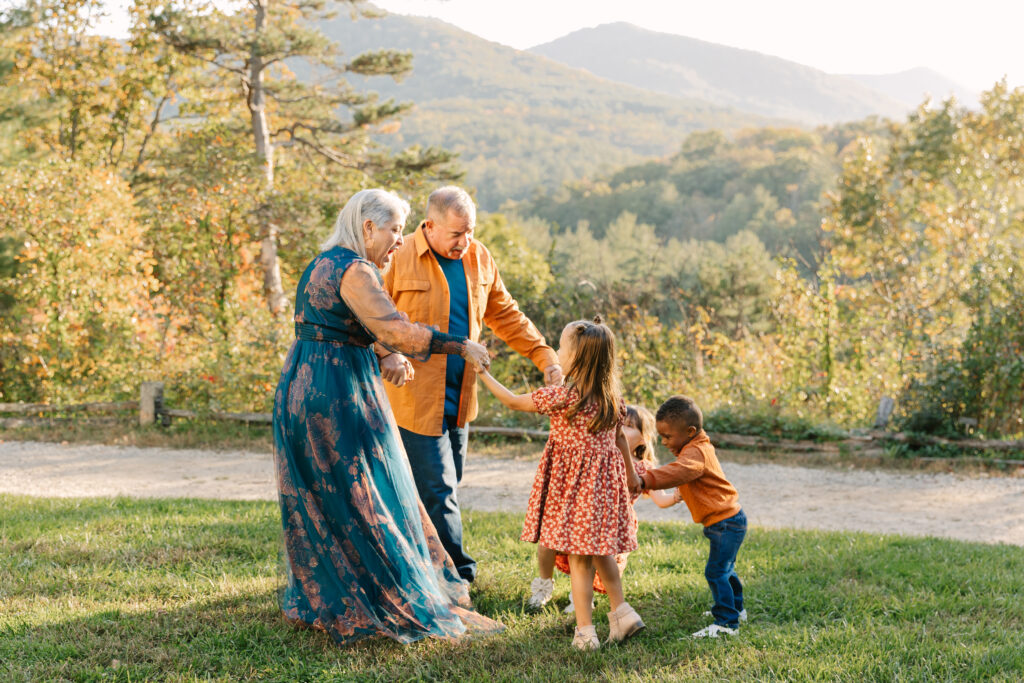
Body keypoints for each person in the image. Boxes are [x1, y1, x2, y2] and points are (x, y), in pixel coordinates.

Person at [272, 188, 503, 646]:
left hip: (305, 385)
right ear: (367, 228)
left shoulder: (324, 262)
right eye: (395, 230)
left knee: (329, 496)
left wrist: (383, 355)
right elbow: (394, 326)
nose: (400, 240)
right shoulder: (357, 269)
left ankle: (329, 594)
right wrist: (457, 344)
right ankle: (378, 594)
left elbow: (337, 326)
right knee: (367, 493)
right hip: (336, 393)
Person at [379, 185, 562, 584]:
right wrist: (385, 352)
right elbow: (370, 319)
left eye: (471, 231)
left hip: (461, 400)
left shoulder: (479, 258)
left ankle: (414, 562)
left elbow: (507, 316)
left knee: (445, 486)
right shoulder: (397, 256)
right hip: (413, 400)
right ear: (429, 225)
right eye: (457, 234)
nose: (466, 241)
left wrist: (545, 357)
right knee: (439, 491)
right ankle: (458, 577)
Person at [474, 317, 645, 650]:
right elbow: (621, 438)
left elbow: (511, 400)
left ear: (578, 357)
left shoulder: (564, 397)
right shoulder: (611, 398)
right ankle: (622, 613)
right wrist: (630, 474)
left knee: (580, 559)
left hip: (575, 491)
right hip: (604, 488)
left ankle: (585, 633)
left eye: (563, 346)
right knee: (601, 551)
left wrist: (482, 373)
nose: (558, 351)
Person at [540, 405, 682, 614]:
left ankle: (580, 600)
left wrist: (676, 497)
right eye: (619, 424)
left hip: (616, 525)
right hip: (591, 515)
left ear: (643, 438)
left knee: (595, 562)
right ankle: (547, 587)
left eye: (629, 426)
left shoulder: (644, 468)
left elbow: (660, 499)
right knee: (573, 553)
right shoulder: (602, 456)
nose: (621, 430)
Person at [632, 395, 747, 638]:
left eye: (668, 436)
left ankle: (727, 623)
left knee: (716, 572)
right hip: (726, 522)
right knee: (726, 569)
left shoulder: (696, 454)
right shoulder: (695, 448)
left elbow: (677, 473)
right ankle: (735, 608)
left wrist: (644, 480)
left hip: (726, 523)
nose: (663, 442)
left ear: (690, 431)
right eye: (661, 436)